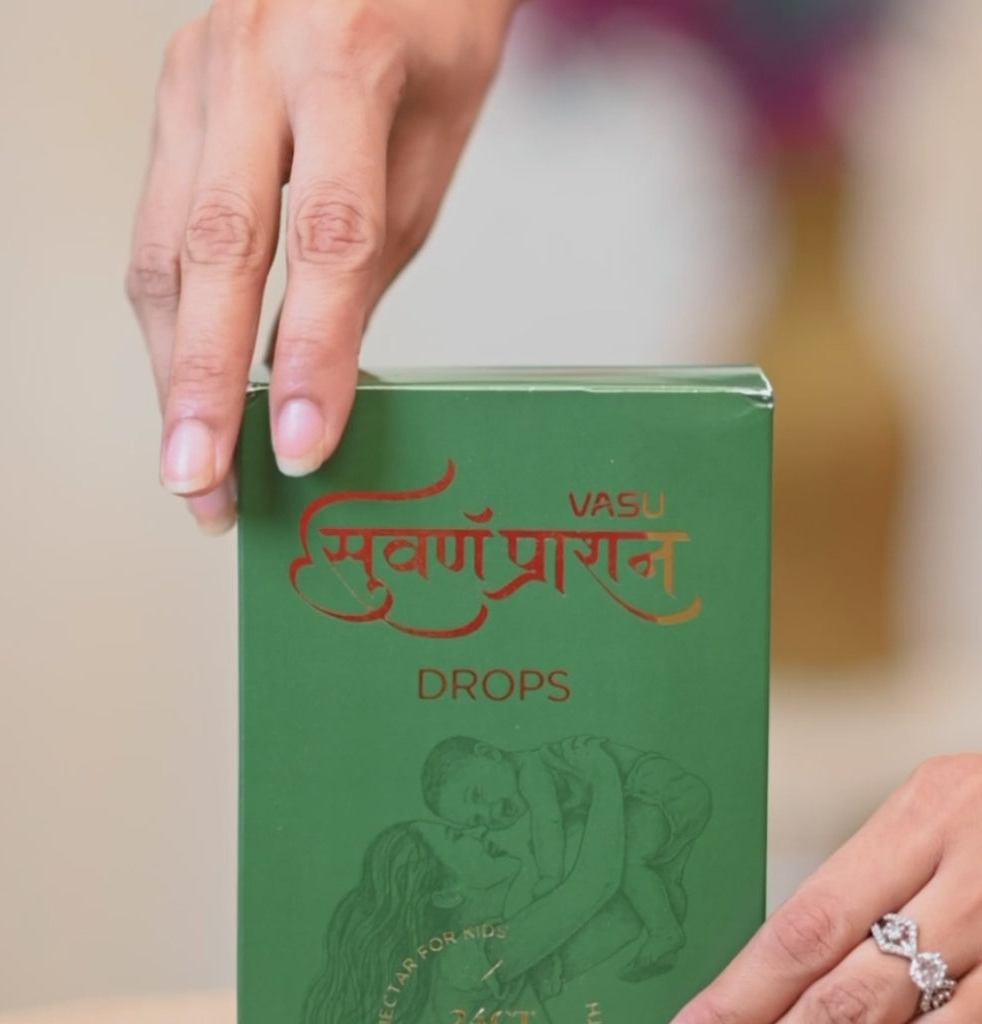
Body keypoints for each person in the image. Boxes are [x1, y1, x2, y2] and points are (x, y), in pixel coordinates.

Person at [127, 4, 982, 1021]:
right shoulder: (480, 925)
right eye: (477, 827)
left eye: (488, 813)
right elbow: (588, 877)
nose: (495, 829)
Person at [303, 735, 626, 1024]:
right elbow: (595, 884)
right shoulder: (465, 958)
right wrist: (604, 776)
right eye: (457, 835)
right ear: (446, 894)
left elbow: (621, 924)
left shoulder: (483, 951)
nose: (480, 831)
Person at [420, 734, 711, 977]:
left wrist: (550, 877)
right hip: (668, 799)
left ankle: (664, 932)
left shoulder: (533, 769)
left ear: (489, 754)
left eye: (477, 796)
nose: (489, 815)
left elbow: (548, 823)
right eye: (477, 820)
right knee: (659, 875)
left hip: (657, 791)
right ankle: (667, 932)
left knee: (626, 860)